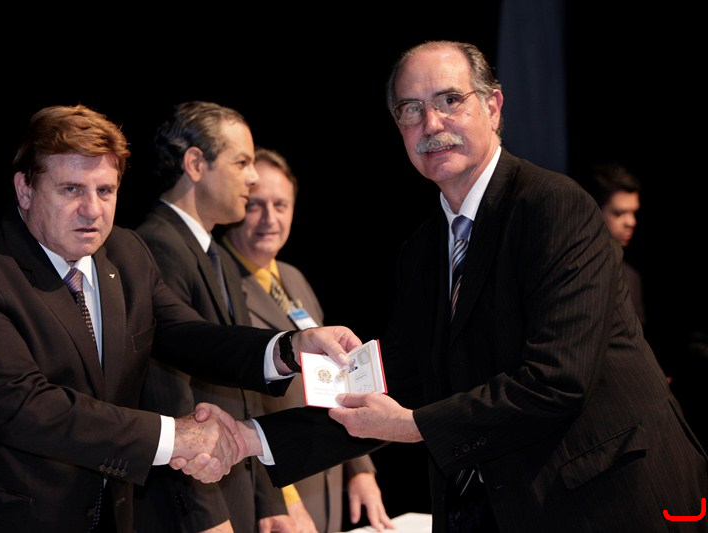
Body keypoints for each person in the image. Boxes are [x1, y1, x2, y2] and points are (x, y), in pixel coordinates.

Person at [181, 40, 708, 532]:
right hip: (509, 503)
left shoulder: (554, 208)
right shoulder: (422, 251)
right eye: (411, 110)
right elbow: (399, 386)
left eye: (450, 100)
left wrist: (414, 426)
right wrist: (251, 439)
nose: (431, 123)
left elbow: (557, 382)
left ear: (493, 107)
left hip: (615, 499)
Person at [0, 104, 361, 533]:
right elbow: (26, 407)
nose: (92, 209)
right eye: (71, 190)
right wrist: (174, 437)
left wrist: (288, 349)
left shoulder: (126, 253)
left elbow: (188, 335)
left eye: (105, 191)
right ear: (25, 190)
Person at [134, 102, 292, 533]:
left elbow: (245, 395)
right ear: (195, 164)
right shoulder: (156, 246)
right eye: (241, 162)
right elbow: (167, 396)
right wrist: (208, 517)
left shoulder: (217, 254)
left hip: (234, 496)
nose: (253, 177)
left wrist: (269, 502)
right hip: (194, 511)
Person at [221, 147, 392, 533]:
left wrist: (360, 468)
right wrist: (283, 499)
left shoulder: (294, 278)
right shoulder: (218, 282)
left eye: (280, 205)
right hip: (272, 491)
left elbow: (336, 376)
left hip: (322, 474)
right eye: (255, 205)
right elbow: (231, 403)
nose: (270, 219)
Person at [585, 162, 645, 324]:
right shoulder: (570, 267)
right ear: (595, 211)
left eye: (633, 212)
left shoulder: (631, 277)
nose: (631, 222)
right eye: (619, 213)